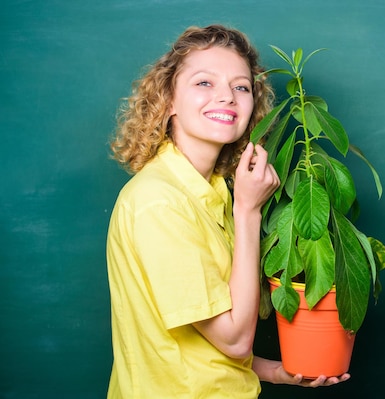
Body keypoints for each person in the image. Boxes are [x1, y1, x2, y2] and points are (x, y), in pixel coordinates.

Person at [106, 24, 350, 398]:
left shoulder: (212, 191)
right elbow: (234, 340)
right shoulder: (159, 202)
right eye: (204, 83)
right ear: (168, 100)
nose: (227, 97)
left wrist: (275, 371)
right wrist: (249, 212)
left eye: (241, 87)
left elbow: (198, 336)